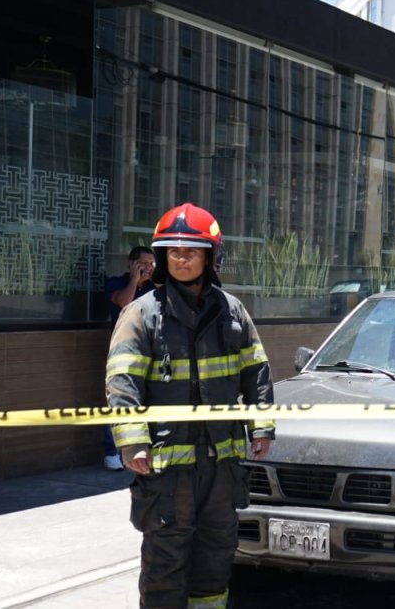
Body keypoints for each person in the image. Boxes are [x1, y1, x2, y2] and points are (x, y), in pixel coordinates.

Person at [106, 203, 274, 609]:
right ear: (163, 257)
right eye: (174, 252)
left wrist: (262, 426)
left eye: (191, 251)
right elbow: (121, 382)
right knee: (165, 562)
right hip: (167, 468)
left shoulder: (232, 311)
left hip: (222, 463)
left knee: (216, 556)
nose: (181, 259)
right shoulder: (141, 314)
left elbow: (257, 372)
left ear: (210, 257)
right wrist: (132, 442)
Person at [101, 246, 156, 470]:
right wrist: (134, 280)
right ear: (131, 264)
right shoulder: (117, 283)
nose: (148, 268)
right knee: (121, 396)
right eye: (143, 264)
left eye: (152, 264)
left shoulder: (156, 287)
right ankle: (112, 451)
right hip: (124, 350)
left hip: (152, 350)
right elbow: (124, 302)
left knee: (151, 397)